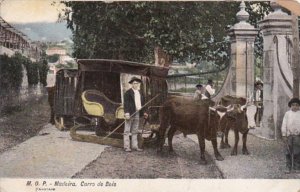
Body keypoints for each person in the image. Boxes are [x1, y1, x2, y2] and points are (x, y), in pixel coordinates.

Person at [123, 76, 148, 152]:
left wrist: (144, 112)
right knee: (127, 130)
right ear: (131, 84)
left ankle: (135, 146)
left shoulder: (140, 93)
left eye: (137, 83)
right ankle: (126, 147)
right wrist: (127, 113)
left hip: (137, 113)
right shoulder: (128, 93)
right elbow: (126, 104)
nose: (136, 85)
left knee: (135, 130)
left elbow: (143, 104)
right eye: (134, 83)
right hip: (130, 113)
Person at [281, 98, 300, 172]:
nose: (295, 107)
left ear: (299, 106)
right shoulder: (287, 114)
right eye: (293, 105)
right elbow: (284, 124)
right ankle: (288, 167)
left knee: (297, 152)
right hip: (289, 135)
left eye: (296, 105)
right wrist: (284, 134)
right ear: (290, 106)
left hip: (297, 136)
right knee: (288, 152)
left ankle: (296, 167)